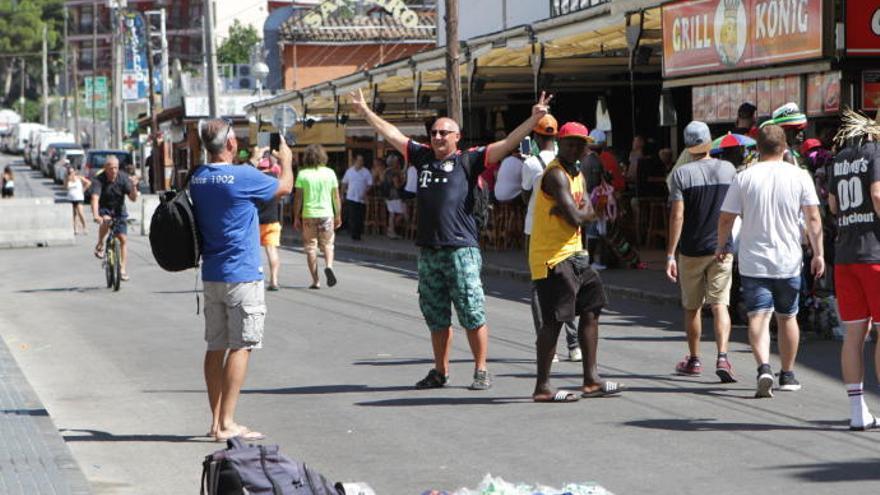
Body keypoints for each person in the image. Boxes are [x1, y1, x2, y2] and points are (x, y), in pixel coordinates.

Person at [351, 87, 552, 390]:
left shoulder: (469, 161)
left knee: (472, 311)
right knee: (435, 314)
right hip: (429, 251)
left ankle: (481, 369)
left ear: (457, 136)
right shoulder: (421, 157)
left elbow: (509, 143)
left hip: (461, 249)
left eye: (445, 132)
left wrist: (532, 119)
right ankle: (439, 371)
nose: (438, 136)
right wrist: (366, 112)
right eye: (434, 132)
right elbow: (392, 134)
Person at [189, 118, 293, 442]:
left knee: (215, 346)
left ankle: (216, 421)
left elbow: (229, 178)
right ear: (231, 144)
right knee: (241, 345)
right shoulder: (245, 177)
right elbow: (284, 187)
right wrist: (286, 160)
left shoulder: (198, 178)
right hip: (242, 274)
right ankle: (228, 423)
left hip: (212, 273)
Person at [716, 124, 824, 398]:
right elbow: (813, 218)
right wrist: (819, 253)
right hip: (788, 260)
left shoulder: (744, 177)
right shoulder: (800, 176)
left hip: (754, 260)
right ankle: (787, 374)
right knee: (788, 317)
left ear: (757, 149)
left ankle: (764, 367)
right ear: (785, 147)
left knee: (758, 316)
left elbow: (726, 217)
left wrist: (721, 244)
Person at [529, 122, 624, 402]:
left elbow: (589, 211)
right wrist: (579, 212)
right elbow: (578, 216)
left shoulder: (577, 173)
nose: (574, 148)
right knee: (554, 321)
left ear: (586, 147)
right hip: (552, 257)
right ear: (560, 142)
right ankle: (542, 387)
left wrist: (578, 211)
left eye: (579, 143)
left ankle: (591, 380)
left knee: (593, 308)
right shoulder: (556, 175)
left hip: (575, 254)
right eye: (568, 142)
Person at [665, 121, 738, 382]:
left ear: (688, 146)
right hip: (721, 247)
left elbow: (677, 216)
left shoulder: (681, 175)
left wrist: (670, 254)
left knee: (692, 307)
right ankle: (723, 357)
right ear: (709, 143)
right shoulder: (729, 170)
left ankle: (694, 359)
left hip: (692, 248)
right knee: (720, 304)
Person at [827, 115, 880, 430]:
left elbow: (833, 205)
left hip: (845, 255)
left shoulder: (839, 159)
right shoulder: (876, 152)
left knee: (853, 336)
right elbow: (876, 194)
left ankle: (857, 411)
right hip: (875, 253)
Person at [521, 114, 582, 362]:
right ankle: (574, 344)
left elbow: (525, 196)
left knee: (539, 288)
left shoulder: (531, 163)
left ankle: (548, 348)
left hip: (535, 231)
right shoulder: (568, 164)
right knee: (568, 287)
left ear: (536, 136)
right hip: (567, 231)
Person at [294, 144, 341, 289]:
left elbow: (298, 198)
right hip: (327, 214)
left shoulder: (303, 174)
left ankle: (316, 280)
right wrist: (338, 214)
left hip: (309, 214)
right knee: (328, 244)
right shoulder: (330, 173)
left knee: (311, 247)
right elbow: (336, 197)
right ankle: (329, 265)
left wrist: (296, 216)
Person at [91, 156, 139, 281]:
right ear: (105, 168)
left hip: (119, 210)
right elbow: (95, 199)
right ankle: (101, 242)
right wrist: (96, 215)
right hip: (105, 208)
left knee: (122, 239)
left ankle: (122, 269)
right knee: (106, 221)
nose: (113, 171)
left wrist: (134, 187)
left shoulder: (123, 178)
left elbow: (133, 198)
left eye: (116, 168)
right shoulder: (98, 179)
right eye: (111, 168)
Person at [256, 154, 283, 291]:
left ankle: (254, 279)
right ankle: (274, 280)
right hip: (272, 220)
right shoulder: (275, 179)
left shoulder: (254, 179)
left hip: (256, 221)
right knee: (272, 251)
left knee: (253, 252)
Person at [342, 154, 372, 241]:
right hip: (351, 196)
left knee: (360, 216)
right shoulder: (349, 171)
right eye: (359, 160)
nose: (360, 162)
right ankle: (353, 233)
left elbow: (370, 184)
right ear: (355, 161)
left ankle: (358, 233)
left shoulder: (366, 172)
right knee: (352, 216)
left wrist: (365, 192)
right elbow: (344, 183)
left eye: (362, 160)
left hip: (361, 198)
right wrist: (341, 194)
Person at [383, 154, 407, 239]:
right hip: (395, 195)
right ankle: (391, 230)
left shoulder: (386, 171)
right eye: (397, 161)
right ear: (394, 162)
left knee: (392, 214)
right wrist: (403, 182)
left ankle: (391, 231)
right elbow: (397, 185)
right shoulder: (394, 172)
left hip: (387, 195)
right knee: (403, 214)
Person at [65, 164, 92, 235]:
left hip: (79, 197)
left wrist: (83, 189)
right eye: (69, 172)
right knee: (74, 214)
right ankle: (75, 229)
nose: (70, 174)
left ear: (75, 172)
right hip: (71, 198)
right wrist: (67, 180)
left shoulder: (79, 178)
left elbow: (88, 183)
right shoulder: (67, 179)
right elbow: (65, 188)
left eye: (72, 172)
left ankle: (85, 227)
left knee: (80, 212)